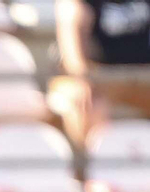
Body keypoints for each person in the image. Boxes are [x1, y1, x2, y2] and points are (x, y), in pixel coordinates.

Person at [53, 0, 150, 144]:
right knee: (84, 101)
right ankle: (89, 161)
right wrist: (82, 79)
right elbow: (73, 56)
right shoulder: (77, 4)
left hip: (142, 75)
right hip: (99, 75)